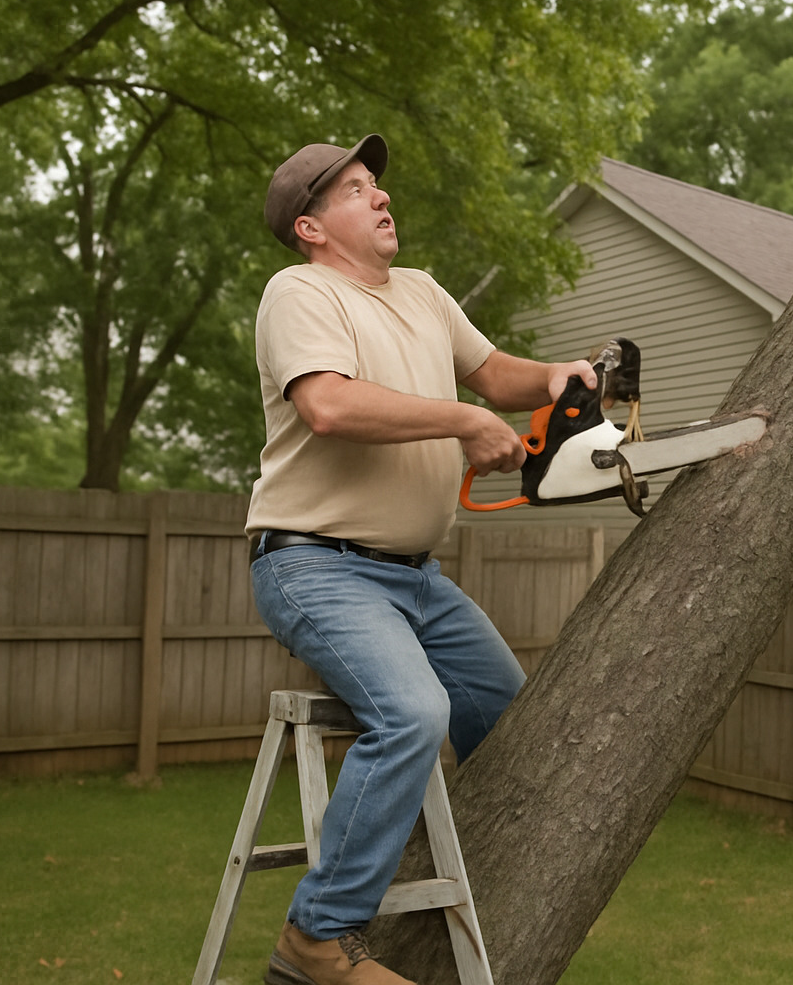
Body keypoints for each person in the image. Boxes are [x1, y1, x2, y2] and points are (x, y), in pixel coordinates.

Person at [246, 134, 596, 985]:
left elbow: (491, 372)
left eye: (376, 184)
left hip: (416, 578)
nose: (378, 196)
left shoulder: (425, 296)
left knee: (513, 723)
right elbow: (327, 404)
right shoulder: (299, 293)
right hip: (313, 565)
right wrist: (461, 421)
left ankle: (450, 880)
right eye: (355, 189)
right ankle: (317, 937)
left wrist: (554, 377)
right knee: (411, 712)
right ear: (311, 227)